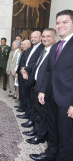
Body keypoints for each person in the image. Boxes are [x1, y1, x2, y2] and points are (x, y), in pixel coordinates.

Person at [37, 9, 73, 161]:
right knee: (53, 131)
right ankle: (51, 154)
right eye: (58, 23)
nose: (60, 25)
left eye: (65, 22)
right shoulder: (56, 46)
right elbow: (49, 71)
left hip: (67, 100)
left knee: (66, 136)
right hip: (51, 97)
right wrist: (43, 90)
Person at [29, 28, 58, 161]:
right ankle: (37, 131)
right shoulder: (43, 50)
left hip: (45, 90)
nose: (45, 39)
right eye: (44, 36)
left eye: (48, 36)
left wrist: (42, 89)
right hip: (38, 86)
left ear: (54, 38)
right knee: (38, 112)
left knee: (43, 114)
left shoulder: (54, 51)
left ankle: (40, 136)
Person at [17, 31, 44, 124]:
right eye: (32, 37)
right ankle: (28, 114)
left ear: (41, 38)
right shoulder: (30, 49)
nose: (33, 39)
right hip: (25, 76)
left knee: (33, 100)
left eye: (35, 37)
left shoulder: (42, 48)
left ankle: (32, 119)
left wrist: (25, 70)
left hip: (33, 77)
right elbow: (24, 60)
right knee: (28, 97)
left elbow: (37, 62)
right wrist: (22, 70)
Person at [15, 40, 31, 111]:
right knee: (21, 91)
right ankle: (21, 105)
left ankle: (24, 107)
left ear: (29, 45)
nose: (22, 46)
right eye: (22, 44)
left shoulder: (29, 52)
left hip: (25, 74)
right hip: (20, 74)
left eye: (24, 44)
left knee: (24, 92)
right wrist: (17, 72)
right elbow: (20, 63)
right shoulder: (23, 52)